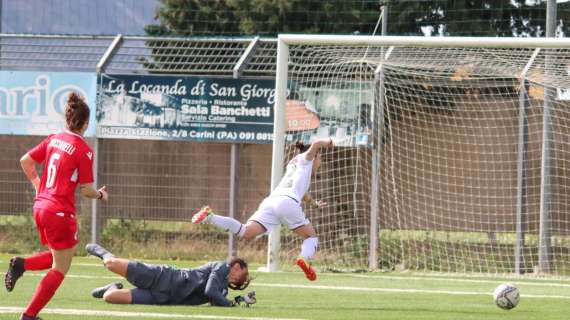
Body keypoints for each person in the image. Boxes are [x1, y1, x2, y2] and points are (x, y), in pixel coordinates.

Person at [4, 92, 109, 320]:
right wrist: (101, 195)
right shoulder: (84, 149)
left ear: (67, 119)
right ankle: (29, 316)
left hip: (40, 206)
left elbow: (25, 160)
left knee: (60, 256)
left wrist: (37, 185)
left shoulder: (54, 138)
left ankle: (21, 264)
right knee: (60, 268)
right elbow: (87, 190)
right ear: (86, 122)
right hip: (59, 211)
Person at [192, 137, 334, 281]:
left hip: (271, 202)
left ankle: (210, 216)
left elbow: (302, 193)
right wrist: (327, 141)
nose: (320, 162)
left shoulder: (295, 164)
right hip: (287, 203)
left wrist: (314, 203)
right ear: (314, 156)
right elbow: (316, 143)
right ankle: (304, 259)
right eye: (320, 158)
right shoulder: (306, 159)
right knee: (311, 237)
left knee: (246, 232)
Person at [85, 243, 256, 307]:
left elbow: (217, 300)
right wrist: (231, 304)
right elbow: (210, 292)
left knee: (110, 296)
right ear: (236, 266)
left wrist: (237, 300)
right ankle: (104, 253)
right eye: (243, 271)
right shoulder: (221, 267)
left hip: (162, 298)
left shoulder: (223, 290)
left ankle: (112, 286)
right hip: (163, 276)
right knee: (110, 264)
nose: (241, 278)